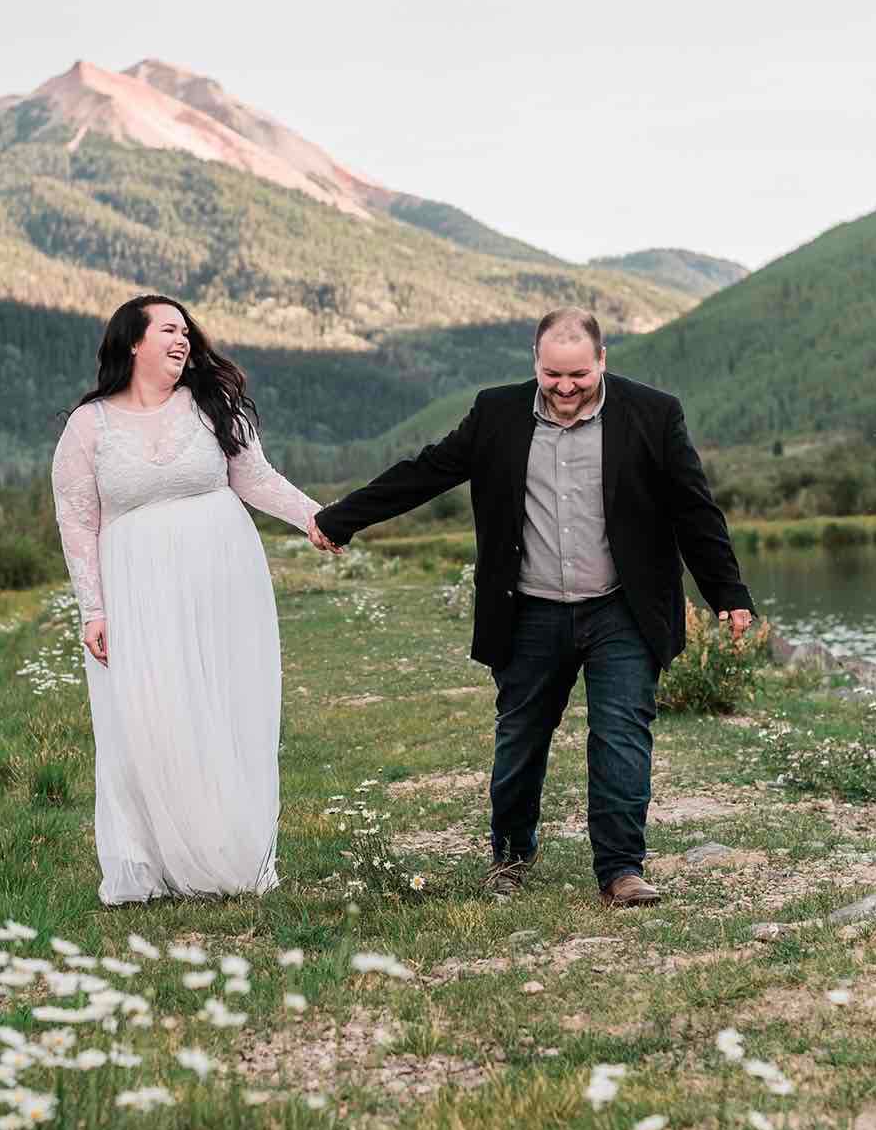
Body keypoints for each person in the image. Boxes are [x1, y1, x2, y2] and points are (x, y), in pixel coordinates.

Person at [310, 307, 755, 908]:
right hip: (528, 610)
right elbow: (426, 473)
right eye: (553, 375)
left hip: (621, 608)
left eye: (579, 375)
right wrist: (343, 518)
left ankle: (621, 870)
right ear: (535, 364)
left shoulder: (653, 413)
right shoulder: (496, 413)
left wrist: (727, 592)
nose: (566, 387)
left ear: (602, 361)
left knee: (622, 735)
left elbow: (693, 508)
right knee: (521, 738)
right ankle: (511, 857)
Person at [51, 294, 323, 905]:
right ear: (133, 343)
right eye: (168, 330)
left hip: (222, 577)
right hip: (136, 588)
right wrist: (93, 609)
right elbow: (77, 522)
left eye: (186, 332)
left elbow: (255, 478)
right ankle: (151, 860)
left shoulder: (210, 404)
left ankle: (227, 854)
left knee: (219, 705)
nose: (183, 340)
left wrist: (315, 518)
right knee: (150, 716)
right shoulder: (88, 427)